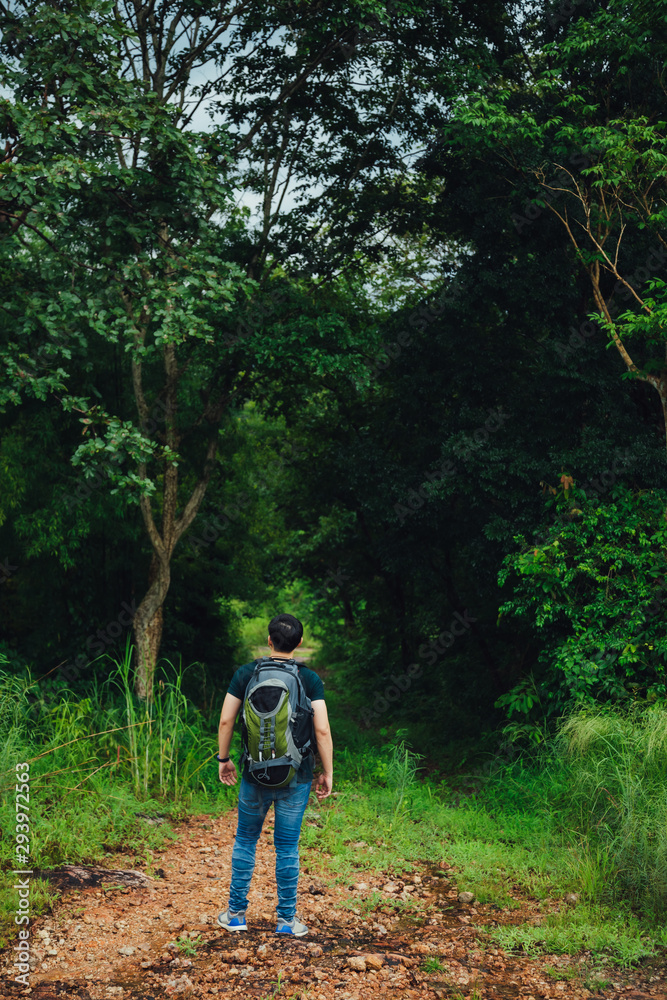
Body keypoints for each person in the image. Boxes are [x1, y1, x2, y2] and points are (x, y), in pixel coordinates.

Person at [216, 613, 333, 937]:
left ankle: (236, 915)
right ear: (299, 643)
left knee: (245, 840)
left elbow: (226, 721)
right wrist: (327, 771)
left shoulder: (246, 673)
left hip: (254, 773)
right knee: (286, 847)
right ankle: (286, 921)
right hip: (296, 775)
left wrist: (224, 759)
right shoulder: (309, 679)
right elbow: (321, 729)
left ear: (269, 640)